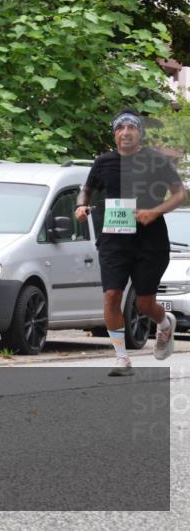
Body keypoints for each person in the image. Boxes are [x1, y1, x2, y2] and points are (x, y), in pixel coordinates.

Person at [76, 108, 185, 376]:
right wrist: (81, 206)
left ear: (140, 132)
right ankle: (122, 358)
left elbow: (180, 194)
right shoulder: (102, 162)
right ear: (114, 134)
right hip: (114, 239)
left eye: (131, 128)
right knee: (112, 295)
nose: (125, 133)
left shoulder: (156, 161)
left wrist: (154, 212)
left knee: (144, 304)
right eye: (120, 129)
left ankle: (163, 322)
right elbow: (86, 190)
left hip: (151, 242)